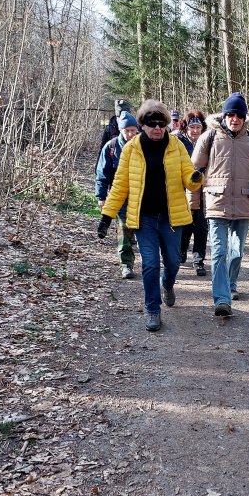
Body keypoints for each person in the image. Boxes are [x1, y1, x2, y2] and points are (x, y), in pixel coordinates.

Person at [97, 100, 204, 332]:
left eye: (161, 124)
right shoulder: (131, 148)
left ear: (166, 125)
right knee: (150, 264)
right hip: (144, 218)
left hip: (172, 217)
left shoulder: (176, 146)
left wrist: (195, 179)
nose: (157, 128)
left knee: (174, 262)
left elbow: (188, 175)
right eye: (151, 124)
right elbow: (119, 186)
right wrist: (107, 217)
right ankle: (153, 310)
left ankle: (168, 284)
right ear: (142, 125)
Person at [191, 92, 249, 317]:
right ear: (224, 116)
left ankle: (231, 284)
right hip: (216, 202)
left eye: (239, 115)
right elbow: (193, 173)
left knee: (237, 251)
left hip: (243, 202)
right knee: (220, 251)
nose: (234, 119)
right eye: (230, 114)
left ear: (244, 118)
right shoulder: (209, 137)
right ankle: (221, 299)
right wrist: (193, 203)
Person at [95, 110, 139, 279]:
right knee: (123, 230)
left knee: (141, 229)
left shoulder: (143, 146)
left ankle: (151, 264)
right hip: (119, 196)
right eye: (126, 131)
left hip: (141, 196)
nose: (130, 134)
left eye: (133, 131)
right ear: (121, 131)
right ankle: (126, 264)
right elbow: (102, 174)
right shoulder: (111, 147)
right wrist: (101, 197)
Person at [180, 110, 208, 275]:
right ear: (186, 128)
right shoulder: (179, 142)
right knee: (185, 225)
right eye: (192, 127)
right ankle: (181, 250)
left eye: (198, 127)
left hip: (204, 191)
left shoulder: (208, 141)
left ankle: (199, 261)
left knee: (201, 228)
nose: (195, 130)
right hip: (185, 191)